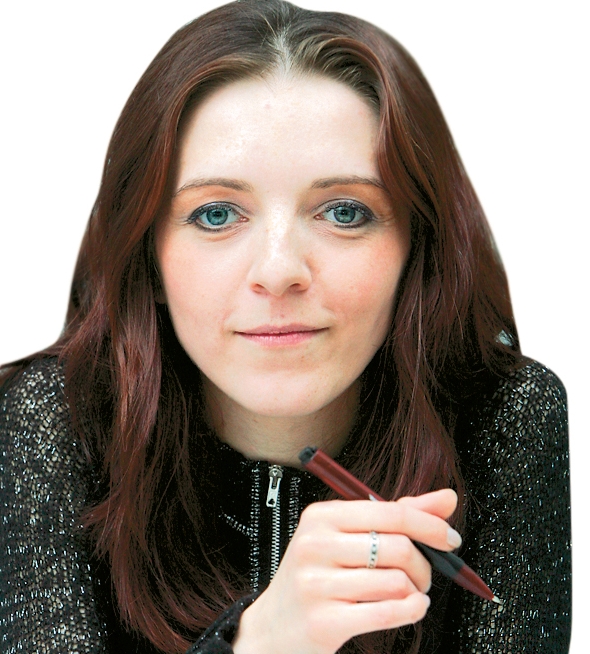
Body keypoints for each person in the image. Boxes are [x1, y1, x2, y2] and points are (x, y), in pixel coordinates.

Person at [0, 0, 570, 652]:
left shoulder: (505, 416)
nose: (278, 272)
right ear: (147, 259)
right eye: (216, 214)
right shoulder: (53, 417)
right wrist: (262, 643)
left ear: (418, 250)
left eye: (345, 212)